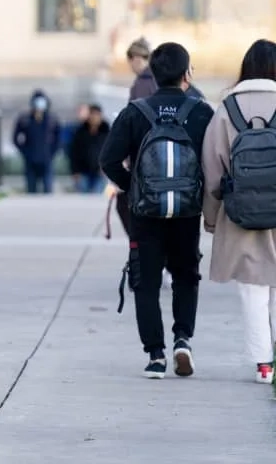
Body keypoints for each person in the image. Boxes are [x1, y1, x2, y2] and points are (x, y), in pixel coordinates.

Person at [99, 42, 214, 379]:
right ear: (187, 73)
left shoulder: (135, 112)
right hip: (186, 212)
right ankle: (182, 339)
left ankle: (155, 355)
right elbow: (215, 160)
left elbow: (107, 159)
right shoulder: (201, 112)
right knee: (186, 275)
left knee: (145, 281)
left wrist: (134, 186)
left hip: (145, 213)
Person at [201, 39, 276, 384]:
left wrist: (212, 217)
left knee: (253, 289)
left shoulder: (226, 109)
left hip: (241, 214)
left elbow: (213, 169)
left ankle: (264, 364)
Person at [13, 89, 61, 194]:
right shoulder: (25, 119)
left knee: (48, 190)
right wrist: (25, 152)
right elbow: (15, 138)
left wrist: (52, 152)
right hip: (30, 160)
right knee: (31, 191)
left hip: (47, 160)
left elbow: (58, 138)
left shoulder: (52, 119)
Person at [68, 104, 110, 194]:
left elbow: (112, 152)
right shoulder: (80, 132)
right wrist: (75, 171)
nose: (94, 117)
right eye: (92, 114)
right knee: (84, 201)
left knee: (97, 199)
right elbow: (73, 153)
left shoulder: (107, 132)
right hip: (83, 172)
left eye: (97, 115)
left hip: (100, 173)